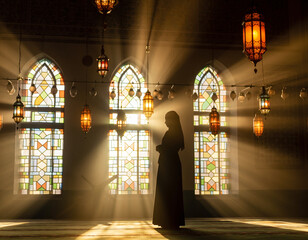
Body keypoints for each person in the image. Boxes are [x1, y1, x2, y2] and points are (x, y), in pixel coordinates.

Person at [153, 111, 185, 229]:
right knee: (171, 191)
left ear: (172, 120)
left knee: (168, 191)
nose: (165, 122)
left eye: (167, 119)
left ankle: (167, 220)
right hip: (171, 164)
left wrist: (160, 148)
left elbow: (169, 148)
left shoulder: (172, 133)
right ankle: (171, 220)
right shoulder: (176, 133)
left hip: (169, 165)